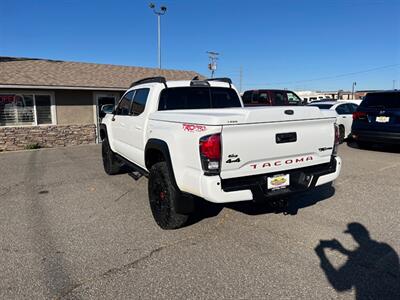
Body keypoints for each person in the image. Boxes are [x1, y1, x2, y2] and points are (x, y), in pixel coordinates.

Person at [315, 223, 400, 299]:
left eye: (353, 234)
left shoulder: (378, 249)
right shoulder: (384, 247)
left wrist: (322, 256)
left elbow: (341, 286)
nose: (353, 237)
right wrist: (341, 249)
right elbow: (362, 257)